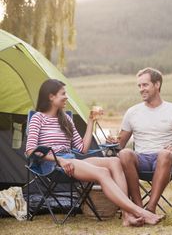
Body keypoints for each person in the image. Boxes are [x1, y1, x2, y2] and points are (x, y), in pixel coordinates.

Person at [25, 79, 162, 227]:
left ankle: (127, 215)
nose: (66, 97)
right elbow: (30, 150)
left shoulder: (66, 120)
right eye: (63, 94)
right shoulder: (37, 118)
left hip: (71, 161)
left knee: (114, 161)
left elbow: (82, 149)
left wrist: (91, 122)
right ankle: (140, 212)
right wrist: (60, 161)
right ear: (51, 97)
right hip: (53, 165)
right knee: (102, 172)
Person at [117, 67, 172, 213]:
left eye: (145, 85)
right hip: (141, 159)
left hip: (165, 159)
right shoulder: (132, 112)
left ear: (157, 85)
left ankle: (150, 208)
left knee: (164, 154)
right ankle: (138, 208)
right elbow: (119, 144)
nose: (141, 89)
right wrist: (111, 141)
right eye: (139, 86)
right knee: (125, 153)